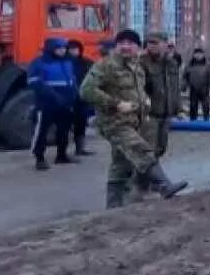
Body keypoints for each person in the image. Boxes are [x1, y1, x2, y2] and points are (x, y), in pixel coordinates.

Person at [79, 29, 187, 208]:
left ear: (137, 47)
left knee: (120, 165)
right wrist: (115, 104)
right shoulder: (106, 65)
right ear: (116, 46)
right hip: (114, 122)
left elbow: (140, 91)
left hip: (133, 121)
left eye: (131, 44)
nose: (126, 47)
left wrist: (145, 103)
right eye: (122, 43)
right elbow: (86, 91)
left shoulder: (136, 67)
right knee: (141, 149)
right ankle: (164, 185)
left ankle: (113, 207)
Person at [27, 37, 78, 170]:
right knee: (41, 131)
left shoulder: (68, 62)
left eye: (63, 48)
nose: (62, 51)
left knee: (64, 130)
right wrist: (54, 96)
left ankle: (61, 155)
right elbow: (34, 82)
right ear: (51, 48)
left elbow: (72, 80)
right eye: (58, 48)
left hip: (66, 103)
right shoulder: (39, 63)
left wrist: (75, 95)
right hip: (46, 104)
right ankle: (39, 158)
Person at [139, 32, 181, 164]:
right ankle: (150, 182)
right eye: (149, 43)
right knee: (148, 149)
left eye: (155, 43)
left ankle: (151, 180)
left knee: (161, 148)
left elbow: (175, 89)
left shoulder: (171, 64)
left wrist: (178, 108)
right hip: (149, 114)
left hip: (165, 113)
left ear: (164, 44)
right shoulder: (142, 62)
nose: (151, 46)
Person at [66, 39, 96, 156]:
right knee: (65, 125)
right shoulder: (64, 63)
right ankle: (62, 152)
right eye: (71, 49)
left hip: (82, 98)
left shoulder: (85, 62)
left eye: (75, 49)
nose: (73, 51)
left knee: (81, 123)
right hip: (68, 98)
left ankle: (80, 149)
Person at [183, 47, 210, 121]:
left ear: (203, 55)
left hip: (204, 88)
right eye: (196, 54)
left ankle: (206, 119)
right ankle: (193, 119)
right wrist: (184, 85)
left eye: (200, 54)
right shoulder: (189, 65)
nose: (198, 56)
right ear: (193, 55)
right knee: (193, 105)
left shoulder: (208, 65)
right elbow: (185, 76)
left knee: (205, 105)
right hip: (193, 88)